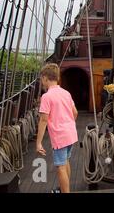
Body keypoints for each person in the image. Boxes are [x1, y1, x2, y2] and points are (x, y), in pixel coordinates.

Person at [36, 63, 78, 193]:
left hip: (60, 137)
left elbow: (43, 120)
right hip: (71, 133)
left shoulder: (46, 97)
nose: (41, 81)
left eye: (41, 78)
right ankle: (64, 188)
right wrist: (68, 124)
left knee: (60, 167)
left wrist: (38, 143)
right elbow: (75, 112)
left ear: (45, 78)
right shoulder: (66, 93)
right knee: (65, 162)